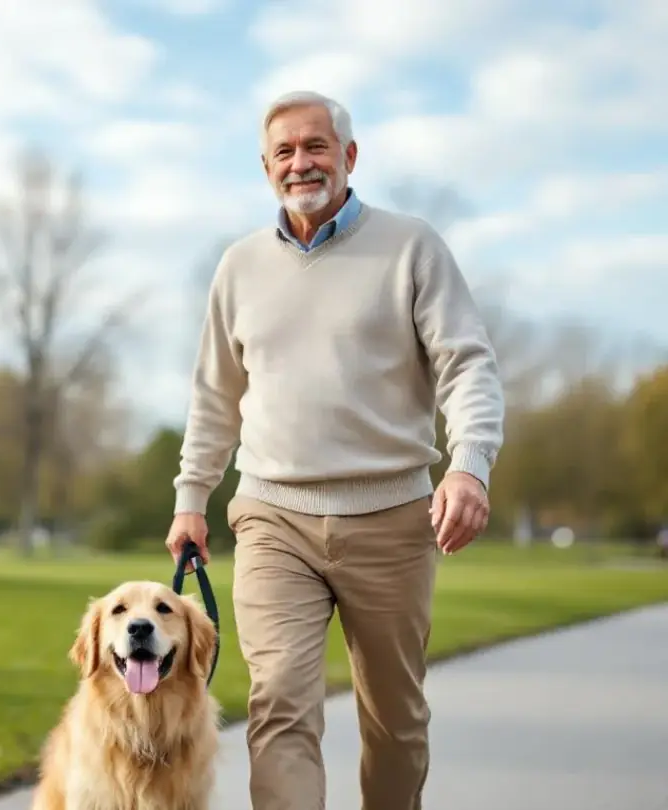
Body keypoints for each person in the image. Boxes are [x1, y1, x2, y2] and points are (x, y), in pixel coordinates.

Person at [165, 90, 505, 810]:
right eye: (284, 151)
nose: (301, 163)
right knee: (281, 705)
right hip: (272, 518)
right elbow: (214, 397)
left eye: (316, 146)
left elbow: (467, 363)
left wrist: (469, 465)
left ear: (349, 157)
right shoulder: (239, 266)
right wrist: (191, 498)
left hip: (391, 518)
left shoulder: (411, 246)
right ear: (266, 168)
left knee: (396, 721)